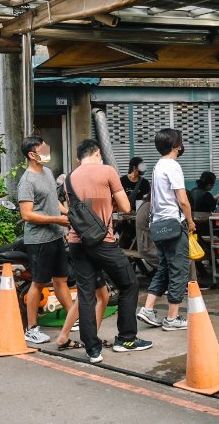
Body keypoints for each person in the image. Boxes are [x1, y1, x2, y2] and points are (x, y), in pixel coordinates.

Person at [66, 139, 152, 362]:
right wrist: (111, 200)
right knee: (129, 284)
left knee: (86, 295)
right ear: (97, 154)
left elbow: (80, 208)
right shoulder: (107, 171)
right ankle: (127, 338)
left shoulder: (70, 177)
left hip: (77, 242)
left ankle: (92, 350)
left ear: (79, 158)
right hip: (103, 242)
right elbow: (125, 208)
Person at [137, 128, 195, 331]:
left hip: (159, 224)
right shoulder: (173, 166)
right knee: (179, 269)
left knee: (164, 268)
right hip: (173, 224)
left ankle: (148, 308)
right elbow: (183, 200)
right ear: (176, 146)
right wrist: (190, 221)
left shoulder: (158, 166)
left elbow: (154, 199)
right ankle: (172, 318)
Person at [17, 136, 72, 344]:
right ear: (32, 154)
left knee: (61, 280)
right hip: (38, 240)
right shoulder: (27, 181)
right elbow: (27, 214)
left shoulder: (48, 172)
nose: (48, 151)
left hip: (56, 235)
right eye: (43, 149)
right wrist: (56, 219)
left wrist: (68, 213)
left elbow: (53, 200)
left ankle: (71, 317)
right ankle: (31, 328)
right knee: (38, 283)